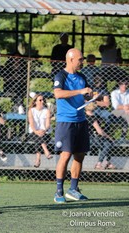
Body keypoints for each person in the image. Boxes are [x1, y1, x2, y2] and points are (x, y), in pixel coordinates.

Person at [53, 48, 92, 203]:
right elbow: (58, 94)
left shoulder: (82, 76)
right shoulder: (60, 75)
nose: (82, 62)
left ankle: (73, 189)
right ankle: (58, 192)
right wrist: (81, 91)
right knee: (66, 155)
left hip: (81, 121)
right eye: (80, 59)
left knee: (80, 155)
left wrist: (92, 95)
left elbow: (86, 95)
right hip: (65, 122)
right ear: (70, 59)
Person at [85, 102, 116, 170]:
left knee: (107, 144)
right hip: (90, 138)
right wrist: (109, 137)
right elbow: (100, 131)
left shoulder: (83, 115)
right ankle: (100, 163)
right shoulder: (92, 117)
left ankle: (107, 162)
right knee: (108, 144)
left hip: (84, 137)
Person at [27, 94, 53, 168]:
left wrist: (44, 130)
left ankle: (38, 159)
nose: (42, 101)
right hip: (33, 132)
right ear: (35, 102)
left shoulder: (46, 111)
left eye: (43, 100)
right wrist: (36, 131)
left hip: (45, 132)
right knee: (37, 137)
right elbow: (31, 123)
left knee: (39, 139)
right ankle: (46, 151)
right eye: (40, 100)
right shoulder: (31, 111)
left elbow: (48, 124)